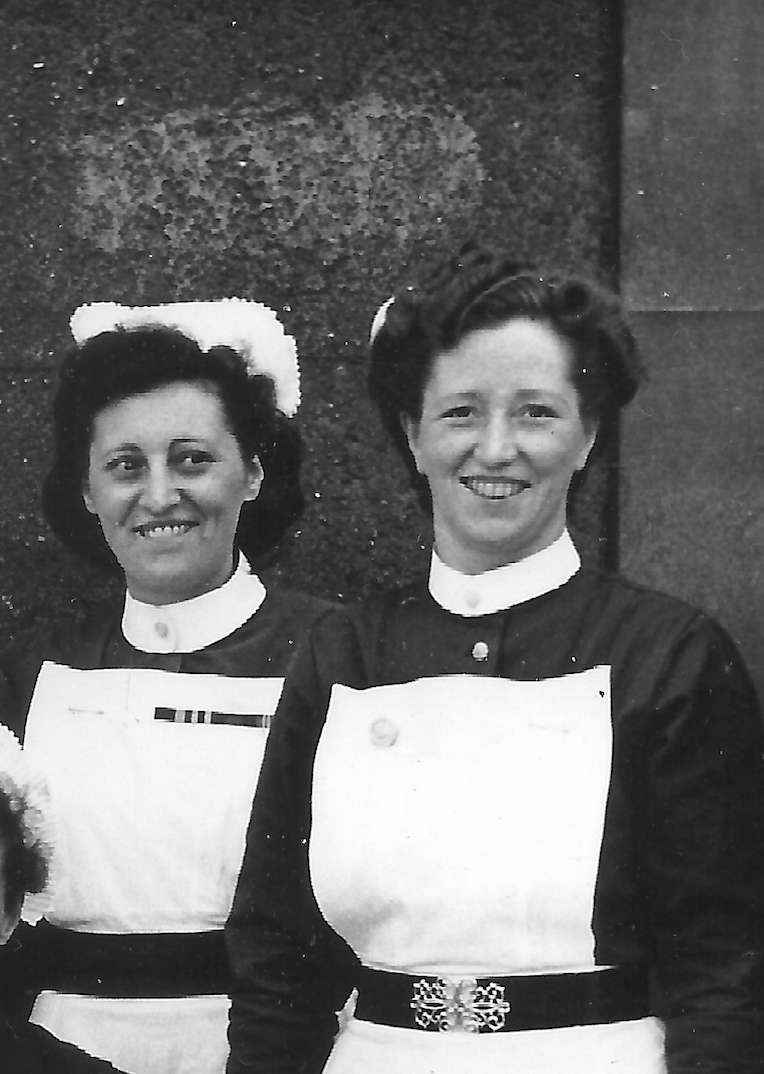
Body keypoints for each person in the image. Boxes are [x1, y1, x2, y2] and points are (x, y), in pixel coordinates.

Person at [225, 253, 764, 1074]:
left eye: (537, 412)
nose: (497, 446)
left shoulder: (667, 654)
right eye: (461, 412)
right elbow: (277, 958)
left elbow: (721, 967)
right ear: (414, 435)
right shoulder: (345, 655)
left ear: (587, 435)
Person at [0, 299, 331, 1074]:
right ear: (88, 490)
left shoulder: (329, 654)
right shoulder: (35, 669)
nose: (158, 495)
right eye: (125, 466)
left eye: (191, 460)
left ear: (253, 471)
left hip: (270, 1048)